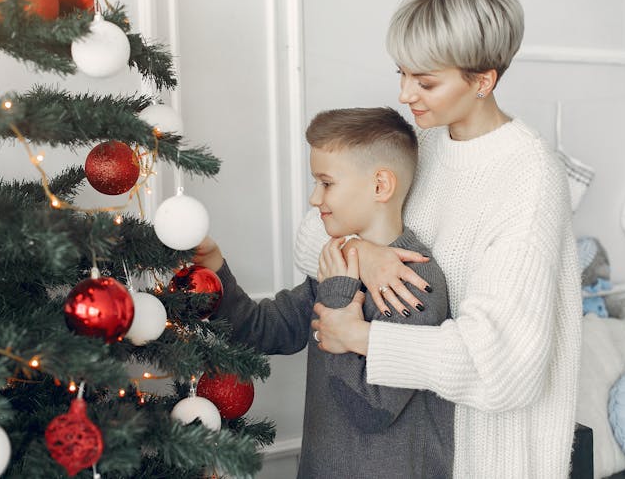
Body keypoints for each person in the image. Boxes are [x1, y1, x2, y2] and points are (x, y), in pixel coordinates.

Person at [297, 0, 583, 478]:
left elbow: (505, 366)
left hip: (482, 456)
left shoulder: (530, 176)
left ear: (482, 81)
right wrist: (363, 252)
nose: (405, 93)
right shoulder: (422, 144)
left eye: (425, 82)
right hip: (404, 448)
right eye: (402, 73)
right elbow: (309, 240)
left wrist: (362, 338)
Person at [194, 107, 454, 478]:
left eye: (326, 183)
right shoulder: (341, 264)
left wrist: (336, 298)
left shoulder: (411, 283)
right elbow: (261, 329)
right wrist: (215, 269)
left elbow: (371, 409)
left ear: (381, 185)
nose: (315, 199)